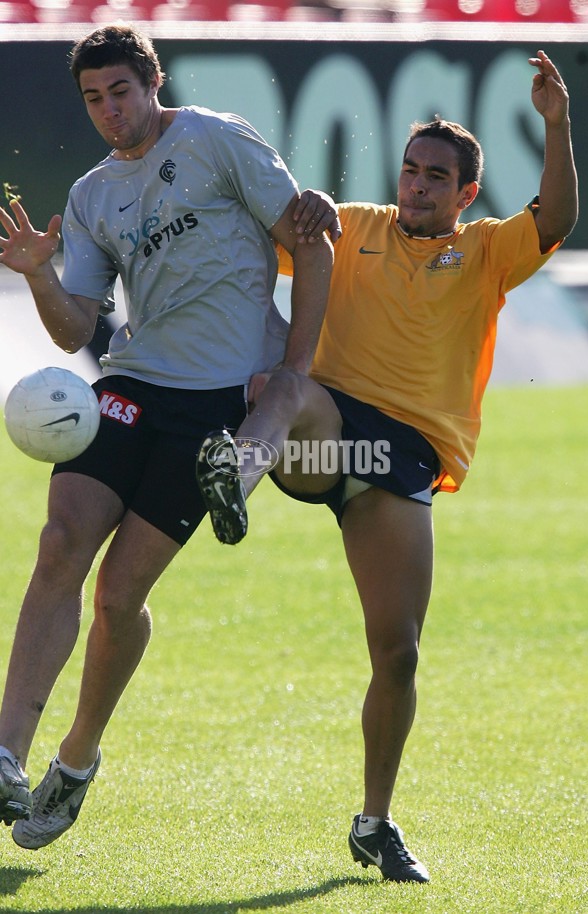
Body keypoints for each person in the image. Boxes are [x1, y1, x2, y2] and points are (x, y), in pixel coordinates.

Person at [197, 50, 578, 883]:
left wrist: (556, 124)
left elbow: (556, 217)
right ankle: (236, 473)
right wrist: (296, 203)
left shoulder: (484, 252)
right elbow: (267, 229)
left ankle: (374, 822)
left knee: (399, 654)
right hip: (326, 434)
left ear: (466, 193)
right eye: (410, 171)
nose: (417, 186)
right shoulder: (354, 225)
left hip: (397, 460)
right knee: (292, 384)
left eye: (436, 177)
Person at [0, 23, 337, 849]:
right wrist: (42, 273)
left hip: (217, 404)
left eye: (121, 90)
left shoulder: (218, 140)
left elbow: (311, 238)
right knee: (58, 544)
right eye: (93, 99)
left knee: (120, 596)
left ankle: (75, 761)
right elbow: (75, 323)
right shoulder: (88, 197)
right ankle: (5, 754)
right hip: (127, 386)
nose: (109, 110)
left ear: (153, 81)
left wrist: (289, 374)